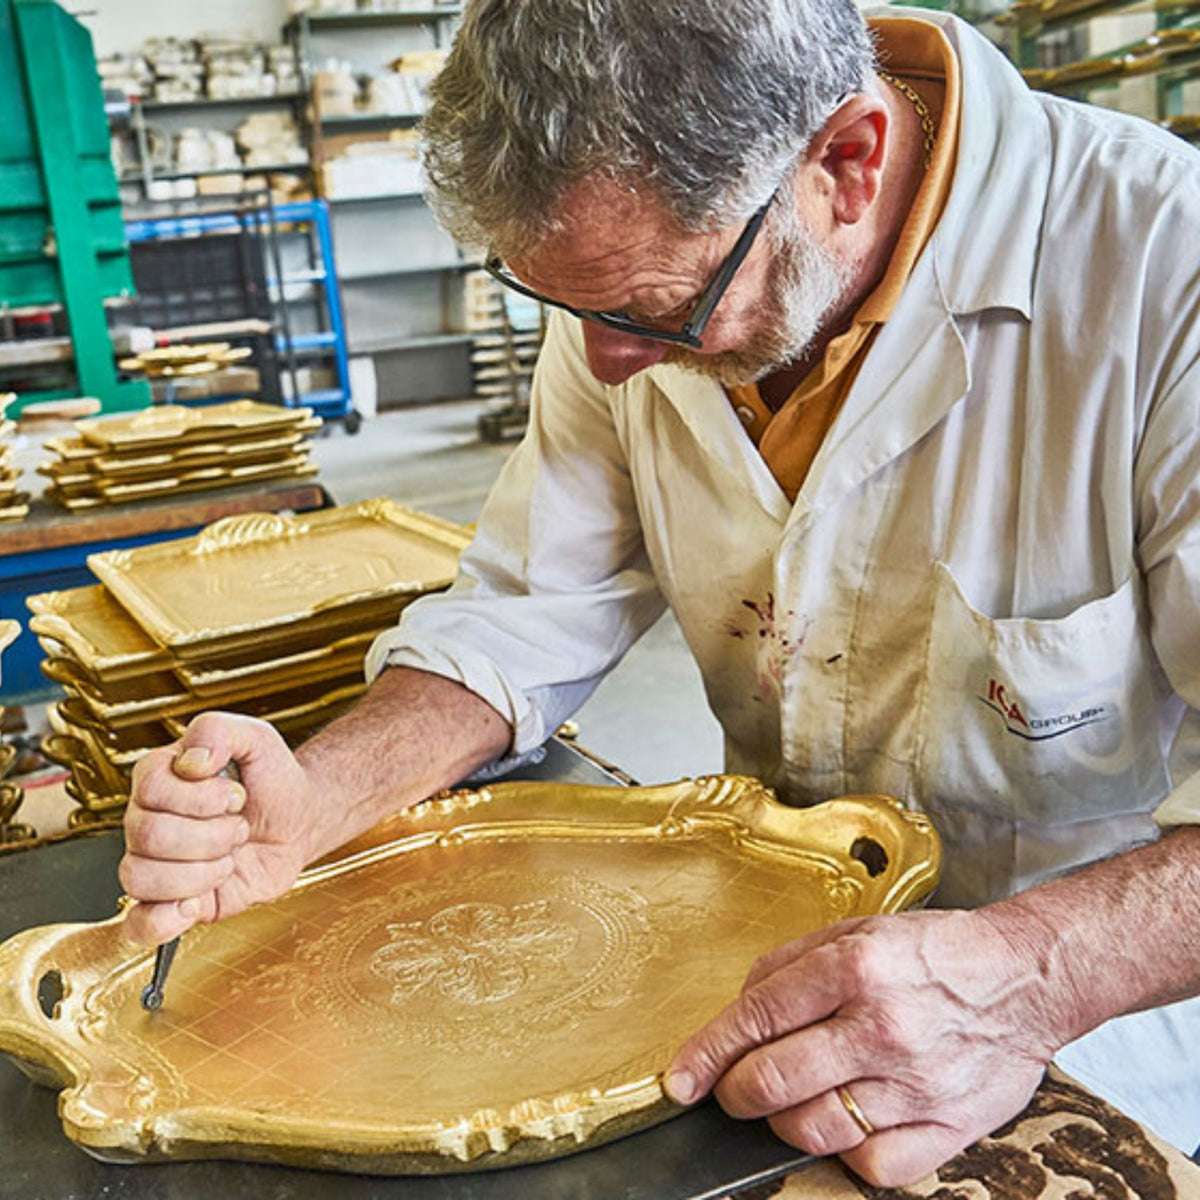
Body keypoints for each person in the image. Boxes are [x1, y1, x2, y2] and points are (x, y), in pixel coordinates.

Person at [120, 0, 1200, 1187]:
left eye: (648, 309)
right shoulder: (635, 269)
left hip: (1077, 1005)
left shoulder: (1162, 268)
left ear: (845, 162)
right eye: (569, 309)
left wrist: (1031, 975)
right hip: (762, 958)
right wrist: (316, 797)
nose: (605, 362)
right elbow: (533, 605)